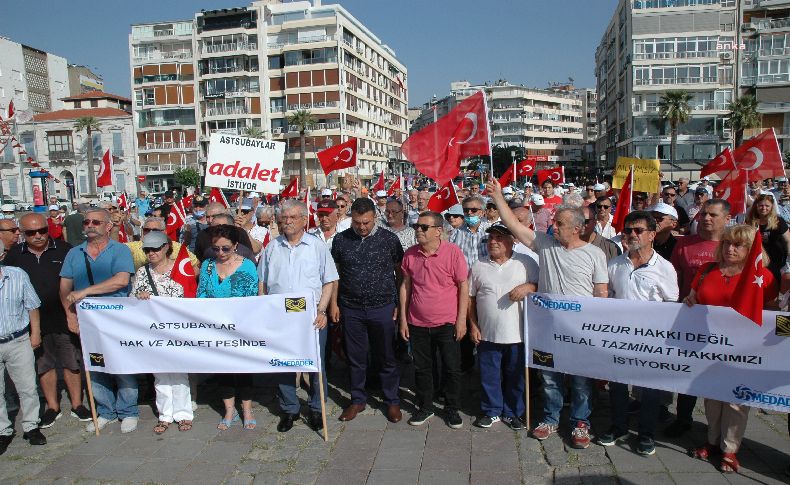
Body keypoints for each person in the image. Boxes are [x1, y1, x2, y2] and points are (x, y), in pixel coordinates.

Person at [486, 177, 608, 449]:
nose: (553, 227)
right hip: (549, 330)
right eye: (553, 222)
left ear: (576, 228)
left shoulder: (595, 255)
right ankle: (550, 418)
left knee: (580, 382)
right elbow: (514, 226)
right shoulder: (545, 245)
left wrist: (598, 332)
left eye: (559, 224)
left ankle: (580, 423)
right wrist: (498, 198)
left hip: (580, 331)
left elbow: (601, 294)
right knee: (550, 378)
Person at [684, 225, 777, 473]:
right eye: (726, 243)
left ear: (751, 250)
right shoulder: (706, 271)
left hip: (745, 351)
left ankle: (730, 449)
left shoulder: (763, 277)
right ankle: (712, 441)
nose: (730, 249)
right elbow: (694, 297)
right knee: (712, 398)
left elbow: (774, 313)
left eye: (737, 245)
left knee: (737, 402)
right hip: (710, 348)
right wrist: (689, 301)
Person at [596, 212, 679, 456]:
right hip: (619, 339)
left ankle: (646, 433)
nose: (631, 234)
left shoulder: (665, 268)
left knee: (650, 390)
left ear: (652, 235)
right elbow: (606, 297)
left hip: (650, 342)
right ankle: (619, 426)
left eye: (638, 230)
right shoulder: (614, 265)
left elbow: (671, 303)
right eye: (628, 230)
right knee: (618, 386)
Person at [4, 214, 92, 428]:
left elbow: (79, 278)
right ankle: (52, 407)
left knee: (71, 362)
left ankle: (77, 404)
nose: (38, 236)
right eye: (31, 233)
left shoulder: (64, 249)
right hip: (34, 321)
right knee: (44, 365)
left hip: (64, 316)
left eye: (42, 230)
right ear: (22, 233)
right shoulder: (15, 254)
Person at [258, 200, 337, 432]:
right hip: (280, 317)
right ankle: (289, 409)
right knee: (283, 364)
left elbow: (329, 280)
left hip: (311, 317)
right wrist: (265, 309)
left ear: (305, 220)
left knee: (315, 365)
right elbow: (263, 281)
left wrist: (322, 310)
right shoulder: (272, 247)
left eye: (293, 217)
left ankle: (315, 408)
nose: (288, 221)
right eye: (284, 217)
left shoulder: (316, 246)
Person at [59, 208, 137, 433]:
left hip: (116, 317)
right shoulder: (75, 253)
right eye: (86, 222)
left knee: (123, 364)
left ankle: (128, 410)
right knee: (96, 364)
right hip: (89, 321)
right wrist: (69, 314)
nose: (90, 225)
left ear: (108, 226)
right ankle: (105, 411)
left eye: (95, 221)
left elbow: (121, 280)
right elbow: (65, 286)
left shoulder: (120, 250)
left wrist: (86, 291)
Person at [330, 197, 403, 423]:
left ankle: (392, 400)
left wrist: (399, 304)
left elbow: (400, 273)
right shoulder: (341, 240)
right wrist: (334, 303)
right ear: (351, 219)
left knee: (387, 356)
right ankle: (358, 399)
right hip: (351, 308)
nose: (362, 227)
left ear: (375, 219)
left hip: (382, 306)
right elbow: (335, 275)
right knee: (355, 357)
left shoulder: (389, 239)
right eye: (358, 223)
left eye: (367, 223)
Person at [666, 198, 731, 438]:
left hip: (724, 324)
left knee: (720, 375)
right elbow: (673, 278)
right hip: (689, 319)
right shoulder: (684, 244)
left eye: (713, 214)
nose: (706, 218)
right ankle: (683, 418)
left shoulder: (733, 246)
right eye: (703, 213)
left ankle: (720, 428)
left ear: (727, 218)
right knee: (686, 373)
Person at [400, 211, 468, 428]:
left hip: (447, 322)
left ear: (438, 231)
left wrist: (461, 320)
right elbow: (405, 286)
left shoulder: (453, 253)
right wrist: (402, 318)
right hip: (417, 322)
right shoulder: (410, 254)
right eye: (416, 226)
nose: (418, 230)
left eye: (424, 227)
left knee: (451, 368)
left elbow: (463, 286)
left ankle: (452, 408)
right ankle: (425, 406)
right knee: (422, 368)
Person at [469, 223, 538, 430]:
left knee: (515, 376)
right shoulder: (478, 265)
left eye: (499, 238)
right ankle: (491, 410)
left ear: (512, 241)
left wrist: (529, 287)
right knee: (489, 375)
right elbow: (470, 298)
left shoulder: (526, 263)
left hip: (517, 334)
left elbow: (542, 286)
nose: (493, 242)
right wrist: (473, 325)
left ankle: (513, 412)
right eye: (490, 238)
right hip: (488, 333)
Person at [197, 224, 259, 430]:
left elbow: (250, 298)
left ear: (235, 246)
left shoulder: (247, 265)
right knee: (222, 370)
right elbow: (202, 293)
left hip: (241, 327)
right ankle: (229, 410)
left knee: (243, 370)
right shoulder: (207, 265)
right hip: (216, 328)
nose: (220, 253)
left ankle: (247, 409)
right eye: (216, 249)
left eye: (225, 248)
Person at [132, 231, 194, 434]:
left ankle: (184, 414)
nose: (151, 253)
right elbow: (132, 299)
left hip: (176, 330)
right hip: (153, 331)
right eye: (147, 250)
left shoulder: (181, 269)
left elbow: (189, 298)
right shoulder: (142, 272)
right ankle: (165, 414)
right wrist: (139, 296)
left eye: (155, 249)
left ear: (166, 247)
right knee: (160, 375)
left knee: (179, 373)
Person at [0, 239, 46, 454]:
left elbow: (32, 305)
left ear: (2, 256)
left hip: (18, 339)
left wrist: (35, 333)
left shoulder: (17, 274)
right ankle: (3, 430)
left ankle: (31, 426)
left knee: (28, 387)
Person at [745, 193, 790, 283]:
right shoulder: (750, 221)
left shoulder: (778, 221)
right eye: (761, 205)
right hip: (758, 258)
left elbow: (788, 240)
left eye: (767, 206)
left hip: (776, 258)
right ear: (756, 206)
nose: (764, 208)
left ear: (772, 207)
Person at [126, 217, 199, 272]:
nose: (151, 233)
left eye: (155, 230)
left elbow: (196, 265)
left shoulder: (177, 247)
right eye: (147, 230)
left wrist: (183, 283)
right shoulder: (134, 247)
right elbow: (115, 248)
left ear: (164, 232)